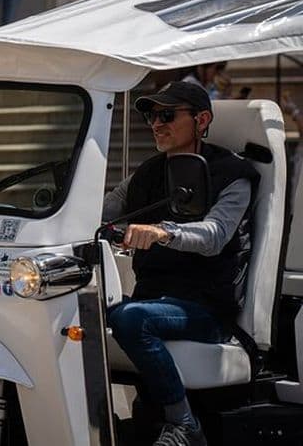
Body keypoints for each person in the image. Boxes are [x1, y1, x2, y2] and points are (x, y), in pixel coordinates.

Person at [102, 81, 258, 446]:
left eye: (168, 115)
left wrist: (162, 232)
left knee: (131, 318)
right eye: (152, 116)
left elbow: (215, 234)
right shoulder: (147, 173)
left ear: (201, 120)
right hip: (155, 299)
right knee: (81, 311)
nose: (157, 124)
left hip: (205, 308)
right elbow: (100, 213)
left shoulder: (233, 174)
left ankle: (185, 424)